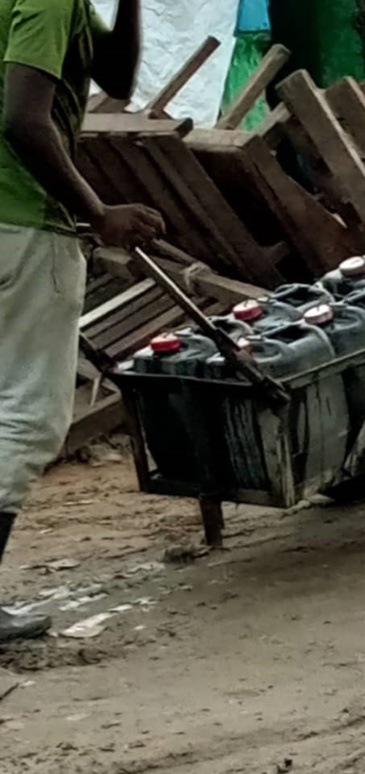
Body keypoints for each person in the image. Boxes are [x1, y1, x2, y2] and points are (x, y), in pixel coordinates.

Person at [0, 0, 165, 644]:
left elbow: (115, 76)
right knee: (29, 416)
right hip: (21, 226)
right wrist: (99, 213)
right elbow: (23, 118)